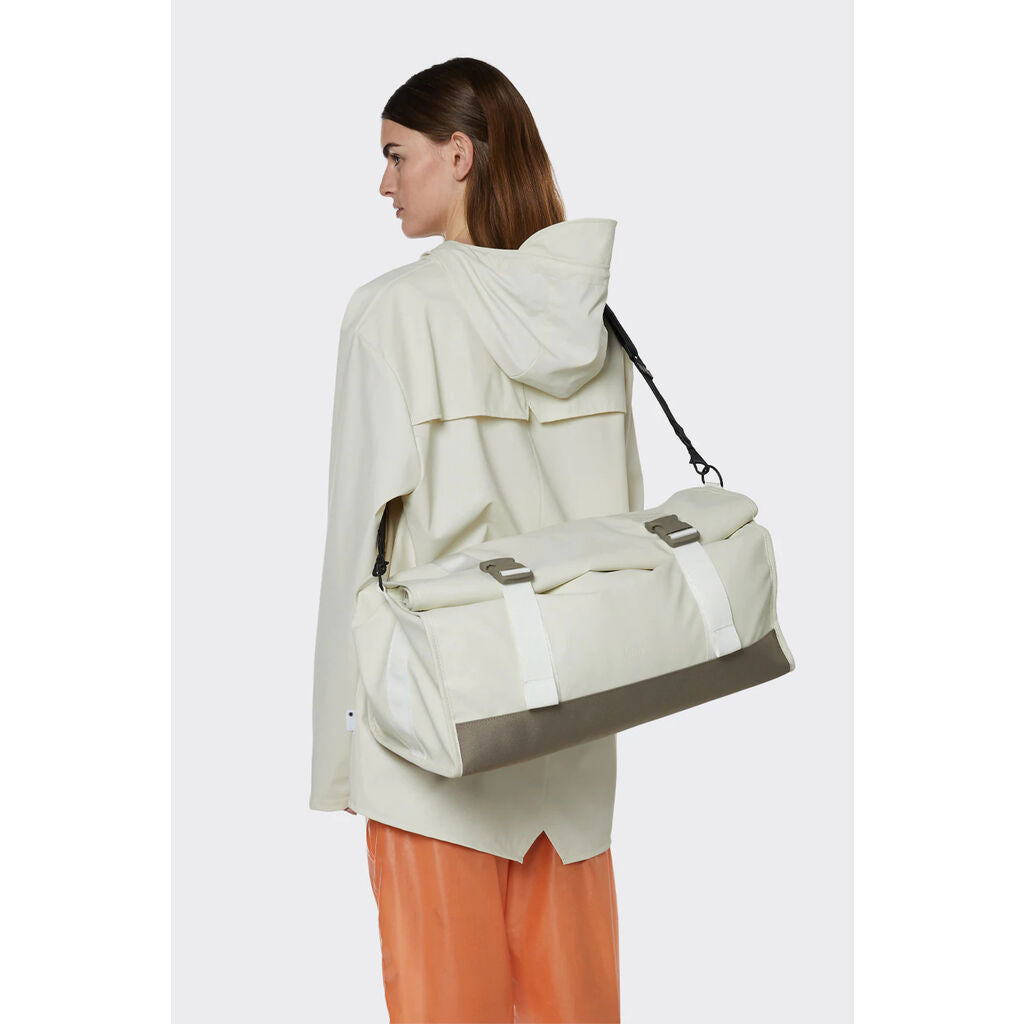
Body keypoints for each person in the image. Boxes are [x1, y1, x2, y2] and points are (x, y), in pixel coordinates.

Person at [310, 57, 644, 1023]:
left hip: (434, 741)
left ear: (458, 155)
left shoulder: (392, 314)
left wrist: (340, 757)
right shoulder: (592, 326)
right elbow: (622, 531)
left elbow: (355, 546)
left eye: (396, 155)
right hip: (566, 751)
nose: (384, 182)